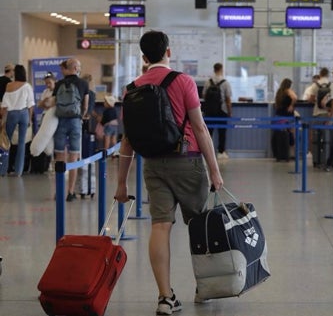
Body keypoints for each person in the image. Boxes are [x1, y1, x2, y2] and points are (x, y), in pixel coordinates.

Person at [114, 30, 224, 315]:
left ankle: (165, 297)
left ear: (144, 57)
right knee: (199, 226)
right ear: (169, 53)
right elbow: (200, 128)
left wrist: (122, 183)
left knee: (160, 227)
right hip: (187, 160)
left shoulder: (131, 88)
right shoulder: (183, 81)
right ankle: (206, 287)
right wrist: (215, 170)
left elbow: (127, 140)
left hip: (152, 164)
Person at [52, 58, 90, 201]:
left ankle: (59, 191)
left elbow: (53, 102)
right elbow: (85, 106)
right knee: (73, 157)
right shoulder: (83, 83)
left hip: (60, 121)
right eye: (79, 66)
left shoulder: (58, 84)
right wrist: (81, 116)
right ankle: (70, 191)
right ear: (74, 67)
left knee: (60, 157)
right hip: (75, 121)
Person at [1, 64, 34, 176]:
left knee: (7, 142)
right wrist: (30, 118)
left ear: (15, 73)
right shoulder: (27, 86)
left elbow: (4, 105)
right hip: (24, 113)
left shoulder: (9, 85)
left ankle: (3, 169)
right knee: (21, 143)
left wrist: (3, 120)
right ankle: (18, 171)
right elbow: (30, 104)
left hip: (12, 114)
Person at [203, 63, 232, 159]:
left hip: (209, 111)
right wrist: (229, 112)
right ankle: (221, 152)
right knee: (222, 132)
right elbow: (228, 99)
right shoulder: (225, 82)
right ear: (221, 69)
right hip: (222, 111)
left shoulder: (208, 82)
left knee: (208, 133)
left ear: (214, 69)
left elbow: (204, 96)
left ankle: (207, 153)